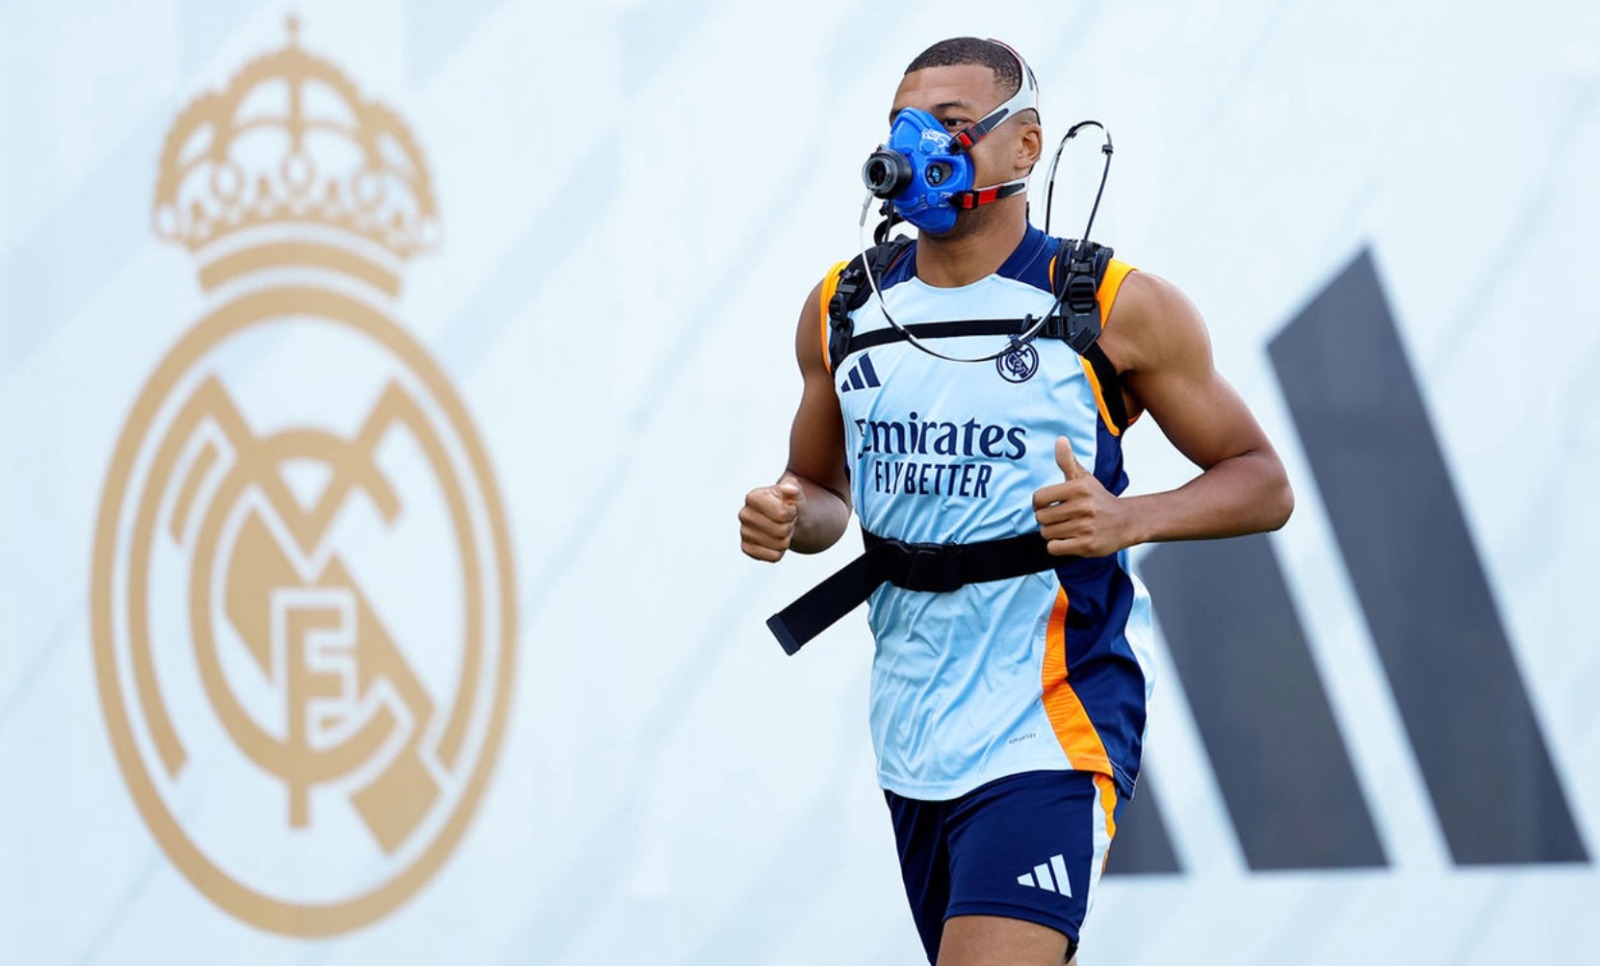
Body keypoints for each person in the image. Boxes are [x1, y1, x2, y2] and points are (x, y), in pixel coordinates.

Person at [738, 37, 1292, 966]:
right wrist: (789, 512)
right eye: (902, 125)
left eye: (950, 123)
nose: (917, 145)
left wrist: (1130, 519)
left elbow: (1262, 480)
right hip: (912, 720)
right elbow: (825, 492)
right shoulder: (842, 304)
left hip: (1056, 711)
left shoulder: (1109, 301)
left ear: (1026, 145)